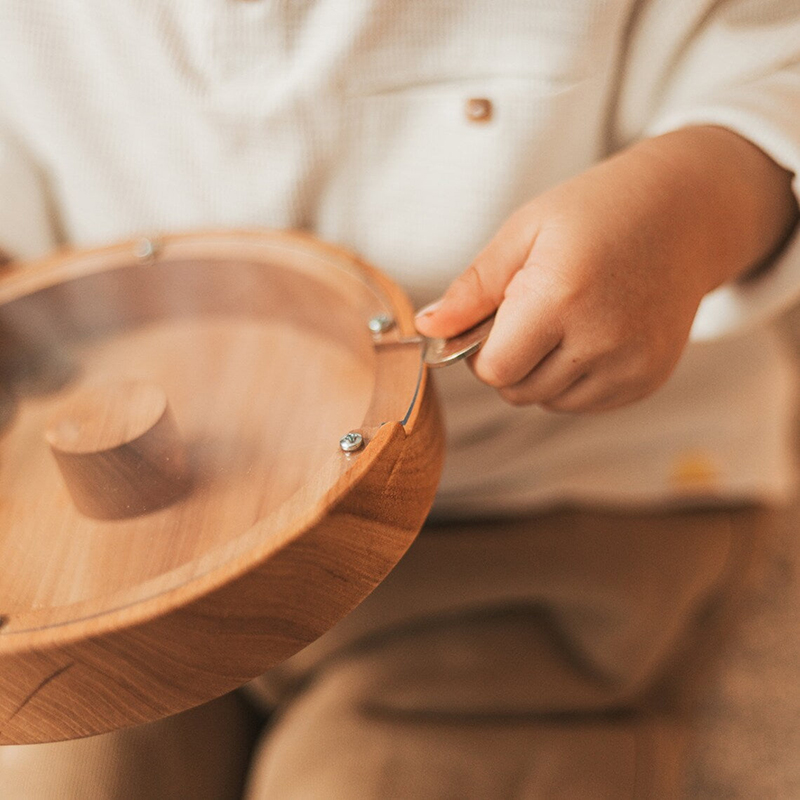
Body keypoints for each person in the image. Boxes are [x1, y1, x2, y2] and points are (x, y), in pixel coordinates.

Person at [1, 0, 799, 797]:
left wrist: (695, 204)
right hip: (129, 542)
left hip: (532, 502)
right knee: (69, 769)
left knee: (404, 774)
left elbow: (772, 62)